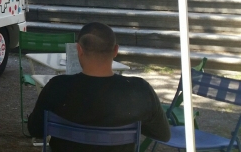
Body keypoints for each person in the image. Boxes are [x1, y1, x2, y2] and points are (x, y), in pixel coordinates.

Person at [27, 22, 170, 151]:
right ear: (115, 50)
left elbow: (35, 130)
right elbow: (163, 134)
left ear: (79, 50)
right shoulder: (140, 90)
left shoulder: (56, 87)